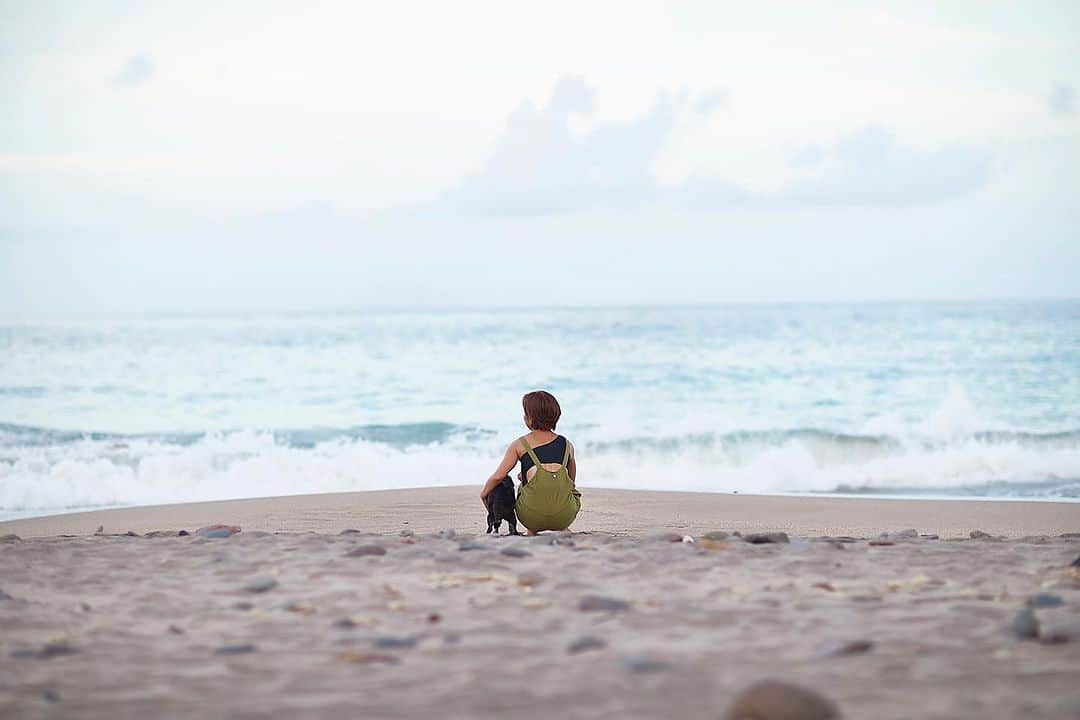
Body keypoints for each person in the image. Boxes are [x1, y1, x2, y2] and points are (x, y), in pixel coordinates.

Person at [480, 390, 581, 536]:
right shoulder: (567, 445)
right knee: (571, 491)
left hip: (531, 518)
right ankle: (562, 527)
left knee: (522, 486)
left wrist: (484, 494)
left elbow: (498, 477)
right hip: (564, 517)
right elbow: (570, 482)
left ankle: (532, 531)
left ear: (529, 419)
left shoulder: (519, 444)